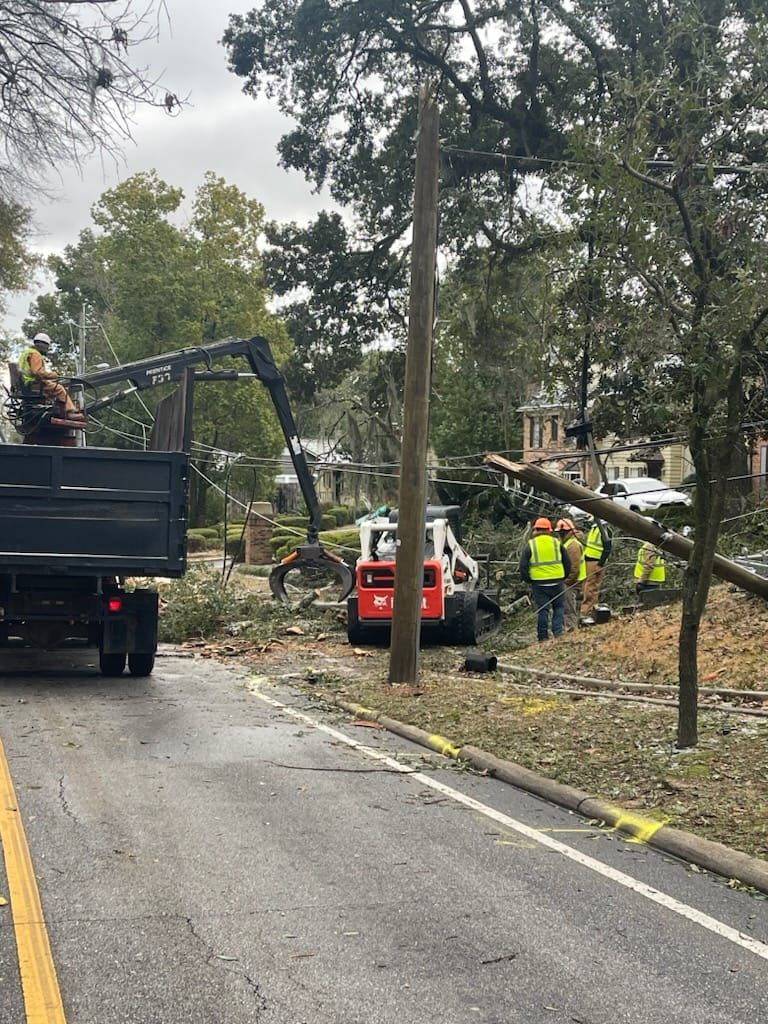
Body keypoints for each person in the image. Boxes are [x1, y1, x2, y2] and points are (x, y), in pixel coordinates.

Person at [519, 516, 571, 642]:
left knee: (543, 610)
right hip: (557, 581)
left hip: (539, 583)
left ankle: (543, 638)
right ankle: (558, 634)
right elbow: (567, 562)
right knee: (558, 608)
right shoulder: (557, 543)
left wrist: (529, 580)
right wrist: (564, 576)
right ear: (549, 530)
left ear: (535, 529)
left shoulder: (531, 545)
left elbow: (523, 566)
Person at [17, 332, 83, 419]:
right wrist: (52, 375)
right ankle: (69, 412)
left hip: (26, 383)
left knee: (53, 389)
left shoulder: (27, 352)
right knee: (60, 389)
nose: (47, 349)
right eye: (47, 347)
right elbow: (37, 372)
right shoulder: (35, 354)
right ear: (43, 345)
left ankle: (57, 409)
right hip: (33, 384)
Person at [556, 518, 586, 631]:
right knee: (568, 608)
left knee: (569, 609)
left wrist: (566, 581)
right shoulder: (568, 543)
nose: (560, 535)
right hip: (571, 580)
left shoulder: (572, 545)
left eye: (561, 533)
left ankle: (571, 631)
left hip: (572, 582)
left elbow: (574, 567)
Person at [580, 517, 612, 621]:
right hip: (589, 561)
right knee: (588, 586)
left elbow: (607, 548)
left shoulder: (605, 531)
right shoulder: (595, 529)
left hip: (596, 562)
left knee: (591, 588)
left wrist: (600, 564)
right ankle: (589, 610)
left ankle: (587, 612)